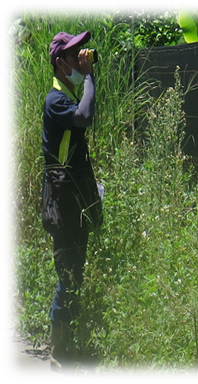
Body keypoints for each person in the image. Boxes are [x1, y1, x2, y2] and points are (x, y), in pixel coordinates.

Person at [41, 30, 101, 374]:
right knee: (68, 273)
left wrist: (88, 78)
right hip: (63, 204)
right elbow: (84, 117)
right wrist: (90, 75)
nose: (81, 57)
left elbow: (85, 110)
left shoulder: (68, 93)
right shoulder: (55, 99)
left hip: (73, 199)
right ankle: (58, 352)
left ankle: (69, 345)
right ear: (60, 63)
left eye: (83, 52)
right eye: (75, 54)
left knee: (76, 271)